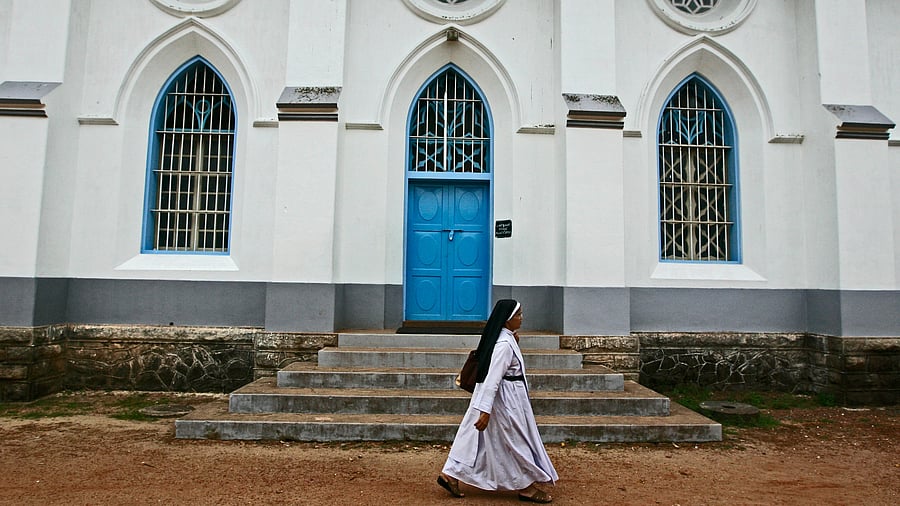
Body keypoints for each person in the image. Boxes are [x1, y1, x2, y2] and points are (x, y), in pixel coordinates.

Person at [437, 299, 558, 503]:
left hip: (503, 397)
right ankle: (526, 487)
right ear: (507, 320)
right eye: (518, 315)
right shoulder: (503, 345)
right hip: (506, 400)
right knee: (516, 440)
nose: (522, 318)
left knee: (476, 438)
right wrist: (485, 410)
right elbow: (492, 378)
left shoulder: (505, 339)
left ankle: (451, 474)